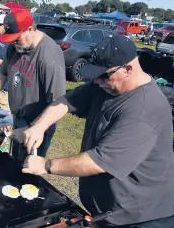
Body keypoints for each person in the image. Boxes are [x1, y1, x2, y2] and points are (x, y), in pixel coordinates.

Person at [21, 35, 174, 227]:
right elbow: (67, 100)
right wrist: (39, 126)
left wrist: (46, 165)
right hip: (107, 211)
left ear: (128, 69)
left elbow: (99, 161)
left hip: (141, 217)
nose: (97, 82)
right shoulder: (105, 85)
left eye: (103, 75)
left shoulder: (144, 109)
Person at [0, 10, 66, 159]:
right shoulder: (15, 47)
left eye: (16, 39)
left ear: (30, 29)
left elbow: (59, 103)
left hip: (38, 122)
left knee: (27, 167)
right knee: (15, 158)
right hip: (19, 115)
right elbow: (2, 74)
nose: (13, 43)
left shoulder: (49, 58)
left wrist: (32, 128)